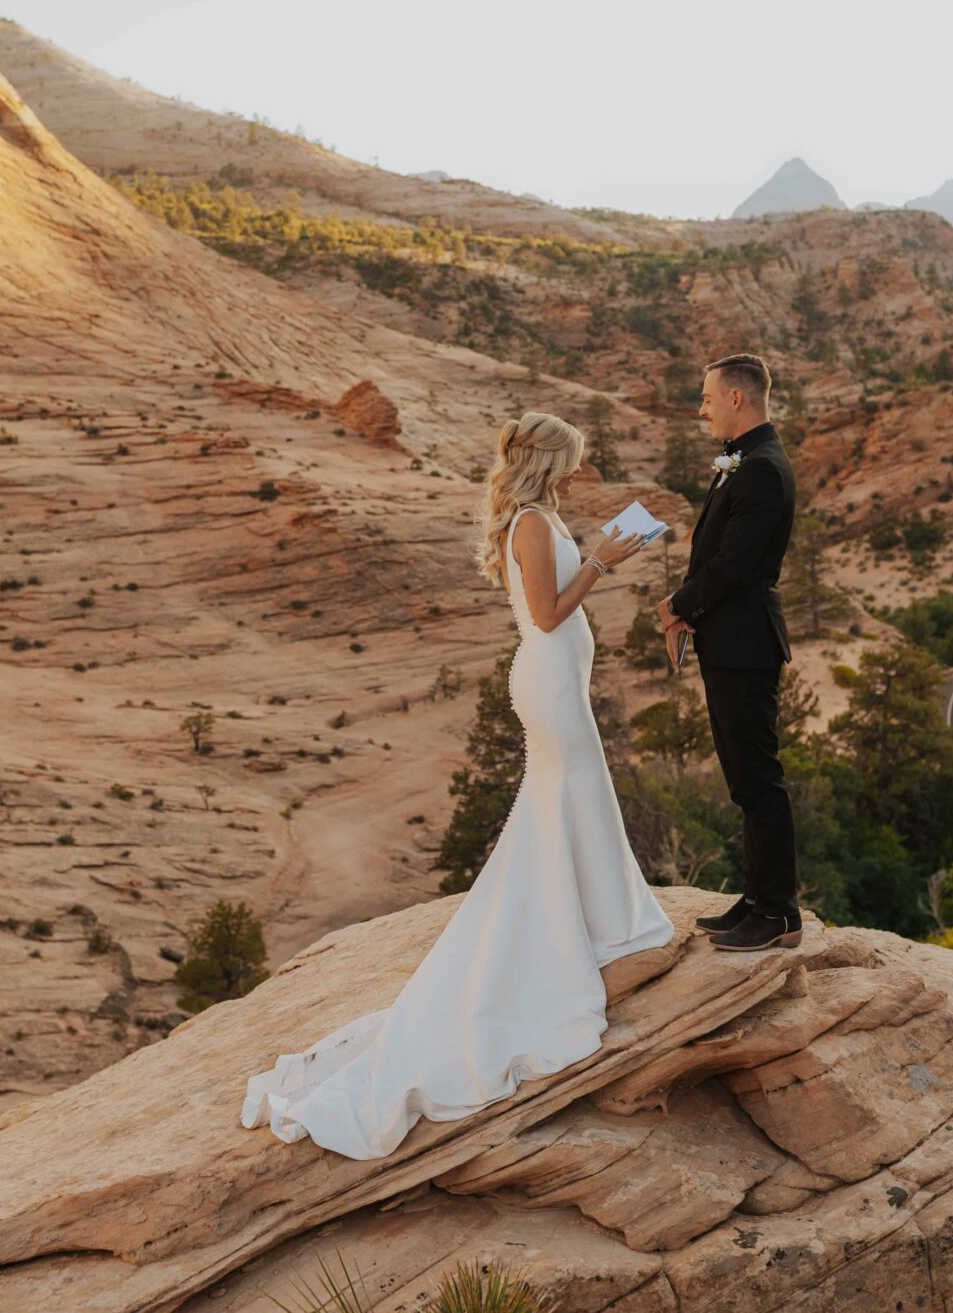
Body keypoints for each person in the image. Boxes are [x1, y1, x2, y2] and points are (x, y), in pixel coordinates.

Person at [239, 410, 671, 1159]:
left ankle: (599, 921)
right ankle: (581, 932)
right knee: (569, 791)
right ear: (548, 462)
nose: (578, 470)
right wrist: (600, 561)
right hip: (548, 679)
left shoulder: (540, 517)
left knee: (569, 798)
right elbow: (544, 615)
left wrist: (598, 554)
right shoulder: (533, 522)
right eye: (571, 459)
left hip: (557, 678)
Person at [659, 353, 800, 951]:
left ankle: (779, 914)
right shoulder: (744, 461)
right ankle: (758, 898)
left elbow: (734, 565)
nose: (702, 408)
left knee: (759, 780)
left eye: (709, 398)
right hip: (728, 639)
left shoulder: (762, 467)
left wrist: (678, 606)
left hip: (745, 643)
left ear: (738, 399)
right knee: (744, 781)